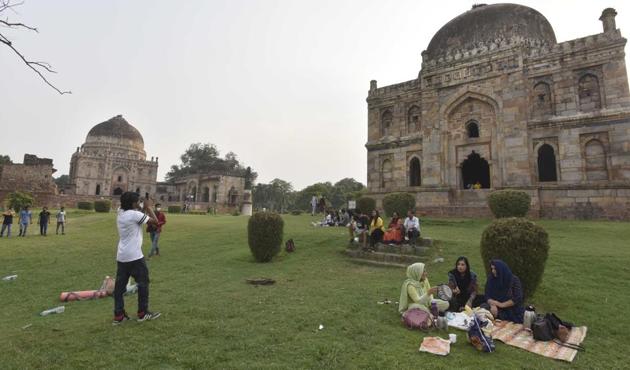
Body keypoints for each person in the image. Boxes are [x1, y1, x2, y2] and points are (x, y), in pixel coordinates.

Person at [112, 192, 161, 324]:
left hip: (122, 256)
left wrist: (143, 207)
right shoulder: (134, 215)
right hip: (135, 257)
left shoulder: (121, 212)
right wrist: (149, 207)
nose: (139, 203)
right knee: (143, 283)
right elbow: (156, 223)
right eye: (138, 201)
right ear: (134, 204)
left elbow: (139, 215)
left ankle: (118, 315)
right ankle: (143, 313)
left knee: (119, 288)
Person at [484, 259, 525, 323]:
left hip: (510, 308)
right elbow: (487, 295)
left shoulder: (513, 280)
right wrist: (492, 304)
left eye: (495, 269)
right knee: (484, 308)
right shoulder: (491, 279)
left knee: (509, 316)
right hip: (495, 306)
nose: (493, 271)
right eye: (492, 269)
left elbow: (517, 298)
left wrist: (500, 304)